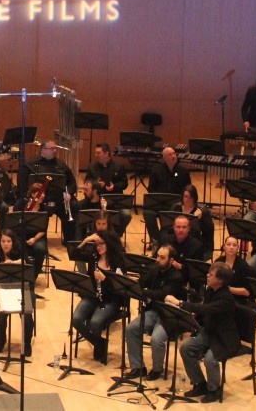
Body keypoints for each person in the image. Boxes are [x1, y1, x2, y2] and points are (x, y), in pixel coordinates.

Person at [170, 262, 238, 403]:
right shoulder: (210, 291)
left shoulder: (225, 298)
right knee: (186, 349)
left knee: (210, 359)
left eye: (211, 275)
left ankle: (214, 389)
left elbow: (207, 309)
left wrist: (180, 303)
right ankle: (200, 383)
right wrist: (194, 316)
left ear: (220, 280)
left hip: (224, 339)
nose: (207, 276)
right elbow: (204, 310)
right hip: (209, 333)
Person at [122, 244, 185, 381]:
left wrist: (147, 292)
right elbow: (142, 283)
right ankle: (138, 367)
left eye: (162, 257)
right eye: (158, 256)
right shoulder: (154, 269)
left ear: (171, 260)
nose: (158, 260)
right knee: (131, 329)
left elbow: (163, 295)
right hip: (153, 310)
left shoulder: (176, 277)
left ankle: (157, 369)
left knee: (156, 339)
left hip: (168, 315)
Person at [72, 230, 126, 364]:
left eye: (101, 244)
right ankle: (100, 343)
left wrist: (105, 279)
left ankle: (98, 349)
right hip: (93, 296)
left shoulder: (118, 262)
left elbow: (121, 288)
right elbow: (74, 254)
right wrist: (86, 240)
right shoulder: (94, 257)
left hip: (111, 300)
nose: (98, 247)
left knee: (95, 323)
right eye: (96, 244)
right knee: (76, 319)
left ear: (109, 243)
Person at [0, 230, 35, 357]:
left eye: (8, 241)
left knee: (27, 315)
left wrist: (14, 263)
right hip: (3, 291)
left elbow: (28, 267)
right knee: (1, 315)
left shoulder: (20, 253)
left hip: (22, 290)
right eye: (3, 241)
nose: (6, 244)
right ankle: (1, 341)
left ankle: (26, 343)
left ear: (13, 242)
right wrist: (1, 267)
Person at [25, 141, 77, 240]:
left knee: (74, 205)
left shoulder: (62, 165)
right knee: (20, 204)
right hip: (40, 200)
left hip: (59, 199)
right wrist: (30, 195)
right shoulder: (30, 164)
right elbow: (23, 184)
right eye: (52, 148)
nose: (55, 150)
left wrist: (69, 194)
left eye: (55, 148)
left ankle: (70, 240)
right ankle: (34, 238)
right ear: (43, 150)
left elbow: (72, 183)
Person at [144, 147, 189, 232]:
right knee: (148, 213)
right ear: (164, 158)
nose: (173, 156)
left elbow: (188, 189)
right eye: (170, 154)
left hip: (176, 205)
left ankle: (165, 235)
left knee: (172, 212)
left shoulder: (183, 171)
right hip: (159, 203)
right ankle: (156, 237)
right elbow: (151, 188)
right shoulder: (156, 170)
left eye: (174, 153)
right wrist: (158, 198)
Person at [10, 183, 49, 276]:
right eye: (40, 193)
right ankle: (22, 272)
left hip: (38, 236)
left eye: (43, 193)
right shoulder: (21, 204)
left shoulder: (44, 208)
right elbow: (15, 223)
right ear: (33, 194)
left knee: (40, 249)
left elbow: (43, 229)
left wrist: (34, 239)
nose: (43, 195)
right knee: (18, 246)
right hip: (21, 234)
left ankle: (34, 274)